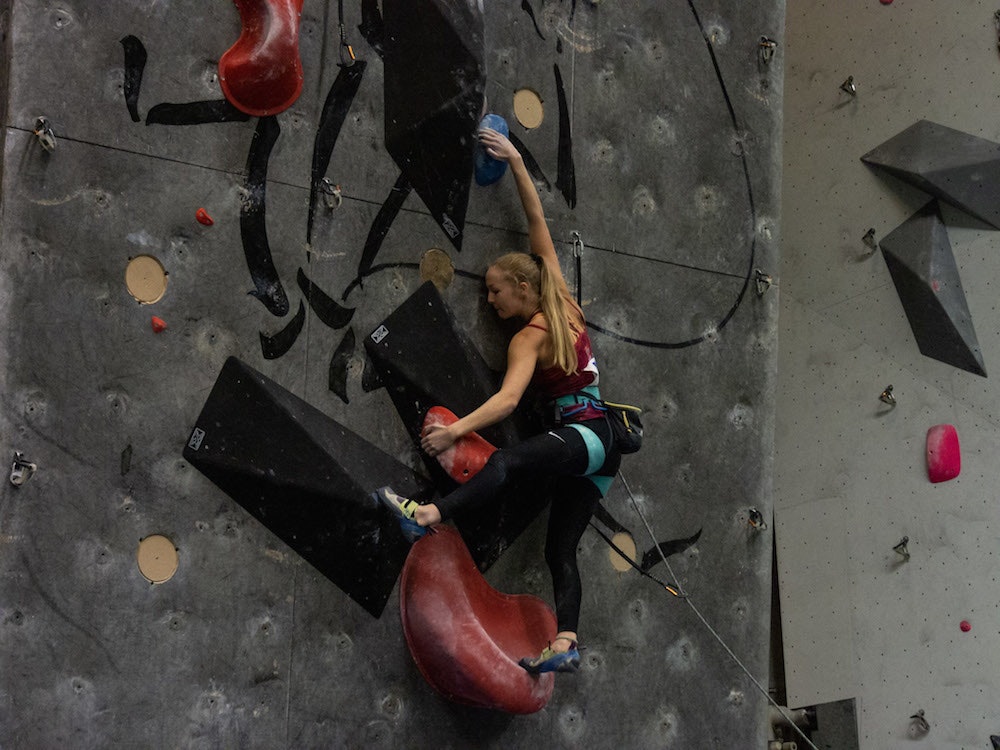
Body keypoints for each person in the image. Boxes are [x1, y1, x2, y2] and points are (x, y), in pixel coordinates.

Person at [375, 126, 620, 675]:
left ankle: (426, 515)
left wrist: (456, 430)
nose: (489, 300)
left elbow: (509, 401)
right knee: (560, 551)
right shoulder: (561, 296)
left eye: (494, 289)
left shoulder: (528, 336)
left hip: (584, 435)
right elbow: (537, 220)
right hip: (603, 442)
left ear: (522, 287)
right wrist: (513, 160)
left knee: (506, 461)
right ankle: (567, 642)